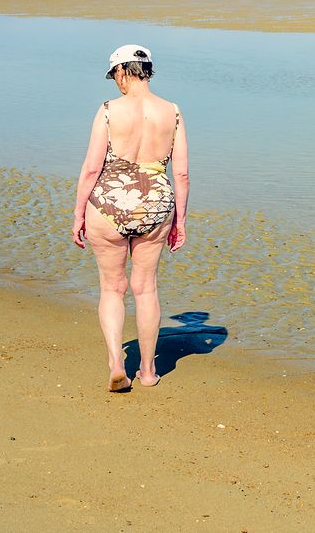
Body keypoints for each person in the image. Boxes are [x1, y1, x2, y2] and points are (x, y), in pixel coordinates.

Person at [72, 44, 189, 393]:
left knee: (112, 287)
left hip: (109, 202)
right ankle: (149, 371)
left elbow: (91, 167)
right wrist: (180, 221)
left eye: (115, 77)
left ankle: (116, 363)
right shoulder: (172, 111)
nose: (116, 83)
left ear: (122, 72)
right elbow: (181, 174)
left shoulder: (109, 111)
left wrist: (78, 213)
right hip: (155, 204)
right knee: (146, 288)